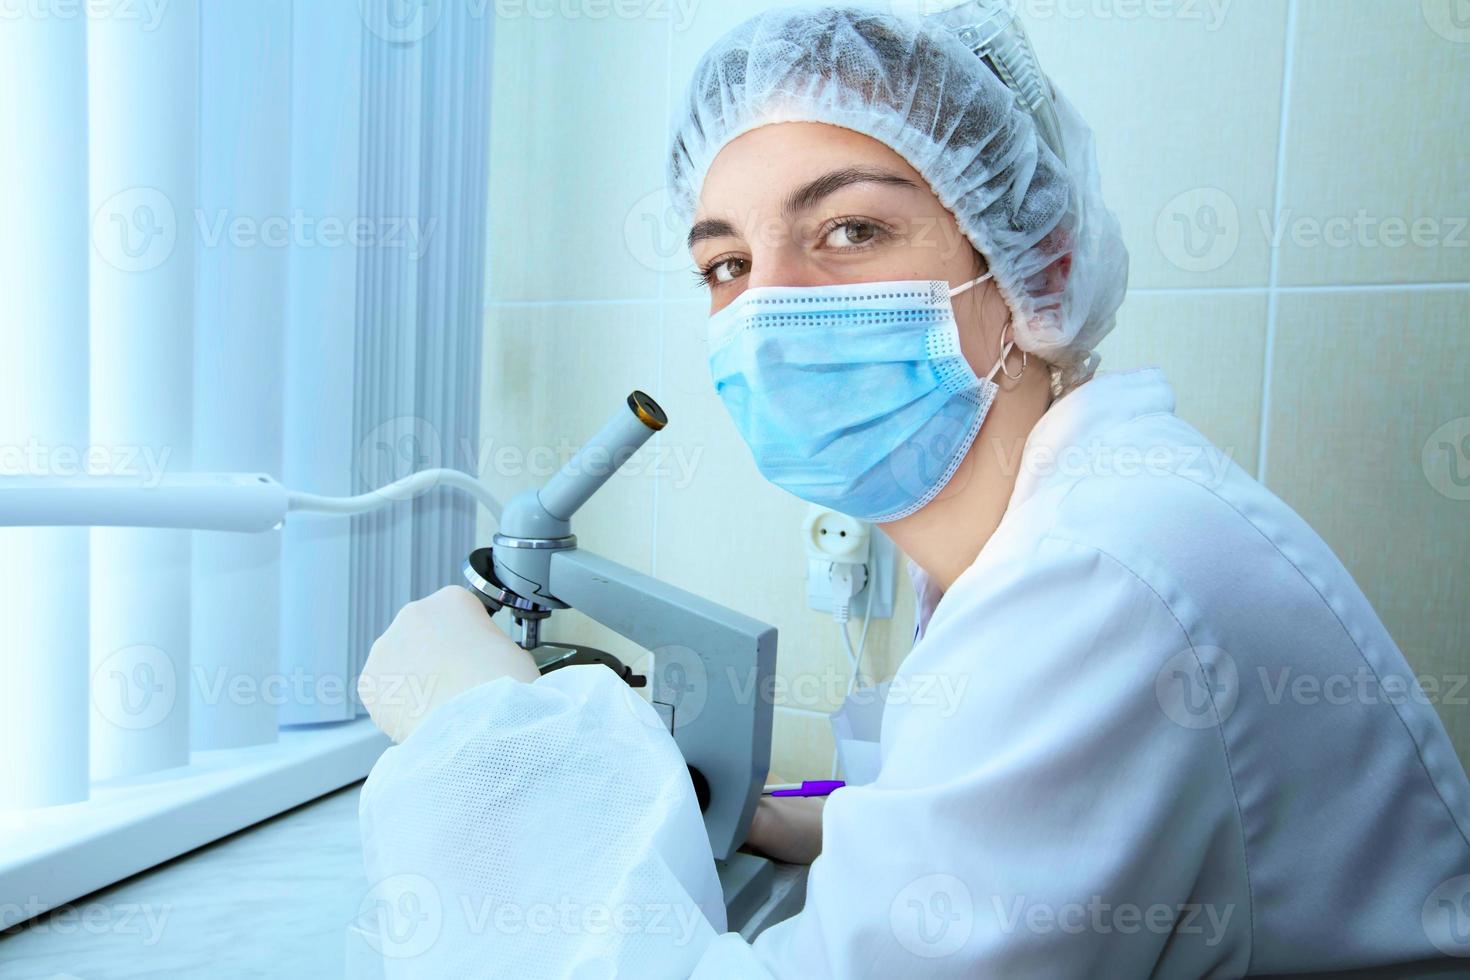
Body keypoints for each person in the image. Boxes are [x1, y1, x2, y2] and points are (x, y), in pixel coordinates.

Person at [356, 6, 1470, 977]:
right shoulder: (1072, 524)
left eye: (849, 230)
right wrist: (779, 811)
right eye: (727, 265)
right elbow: (949, 791)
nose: (769, 314)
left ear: (1044, 270)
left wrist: (492, 737)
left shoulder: (1095, 580)